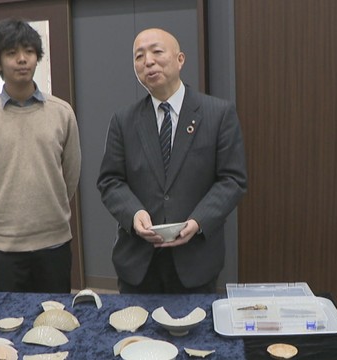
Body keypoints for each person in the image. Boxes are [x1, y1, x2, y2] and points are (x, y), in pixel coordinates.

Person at [97, 28, 247, 294]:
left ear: (180, 59)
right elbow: (110, 181)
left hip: (196, 259)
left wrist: (199, 220)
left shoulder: (218, 113)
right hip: (138, 260)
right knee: (137, 334)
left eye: (156, 51)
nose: (148, 61)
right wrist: (134, 214)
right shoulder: (124, 120)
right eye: (139, 56)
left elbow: (232, 180)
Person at [0, 18, 81, 293]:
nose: (22, 60)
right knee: (10, 323)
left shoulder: (62, 113)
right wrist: (1, 207)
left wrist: (52, 203)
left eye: (28, 51)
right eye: (12, 53)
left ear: (37, 56)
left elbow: (71, 173)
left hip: (54, 241)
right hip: (6, 246)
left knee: (57, 320)